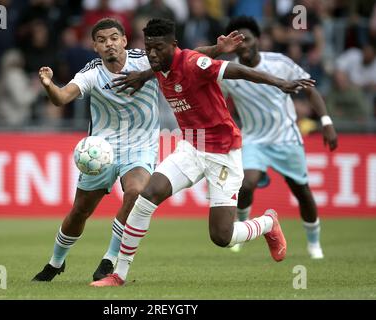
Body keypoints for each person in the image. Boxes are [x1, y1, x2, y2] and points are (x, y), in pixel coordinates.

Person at [90, 18, 315, 287]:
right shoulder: (158, 63)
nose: (151, 54)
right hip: (192, 146)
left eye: (158, 48)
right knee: (147, 195)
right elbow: (167, 61)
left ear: (173, 46)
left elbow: (238, 70)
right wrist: (142, 75)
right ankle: (119, 274)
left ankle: (267, 223)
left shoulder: (193, 63)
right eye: (148, 47)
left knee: (222, 236)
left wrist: (280, 82)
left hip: (223, 152)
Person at [32, 18, 244, 282]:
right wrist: (49, 85)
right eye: (101, 40)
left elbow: (186, 57)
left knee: (135, 193)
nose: (109, 44)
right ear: (94, 46)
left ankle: (109, 259)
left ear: (123, 40)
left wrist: (217, 48)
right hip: (102, 151)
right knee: (80, 211)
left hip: (140, 147)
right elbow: (62, 98)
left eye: (113, 38)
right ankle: (56, 262)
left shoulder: (146, 59)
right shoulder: (91, 73)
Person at [219, 17, 338, 259]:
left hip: (286, 137)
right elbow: (217, 102)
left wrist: (326, 121)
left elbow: (310, 88)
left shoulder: (279, 63)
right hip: (253, 138)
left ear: (258, 40)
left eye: (248, 39)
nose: (243, 45)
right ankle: (241, 233)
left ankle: (314, 244)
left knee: (302, 191)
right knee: (246, 184)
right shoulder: (229, 72)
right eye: (238, 41)